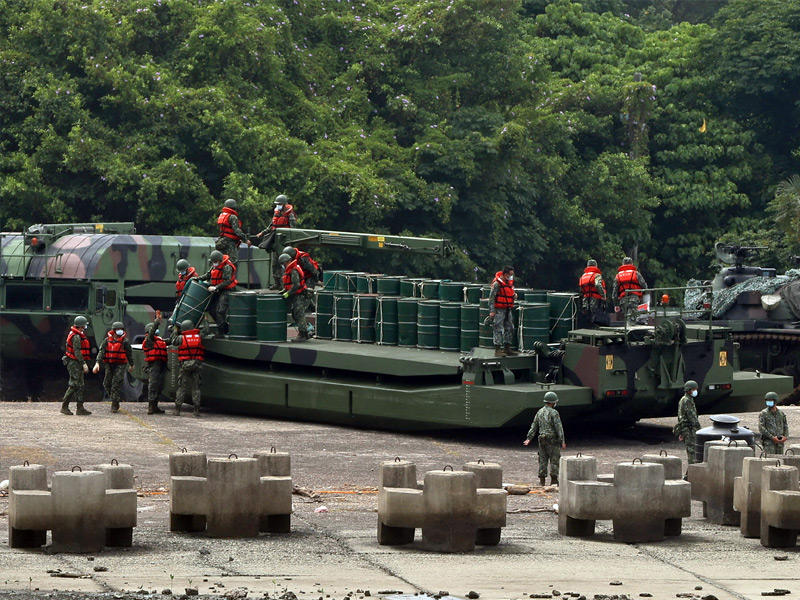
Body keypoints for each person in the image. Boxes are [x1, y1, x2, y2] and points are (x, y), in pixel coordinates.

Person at [523, 391, 566, 486]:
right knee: (554, 460)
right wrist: (562, 441)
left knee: (542, 460)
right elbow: (559, 427)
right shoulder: (554, 413)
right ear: (553, 402)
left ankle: (542, 481)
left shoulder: (540, 412)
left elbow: (534, 426)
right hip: (552, 440)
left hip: (542, 440)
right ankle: (554, 481)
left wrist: (529, 438)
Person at [92, 321, 133, 413]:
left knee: (115, 383)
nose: (120, 331)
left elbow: (129, 354)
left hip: (120, 364)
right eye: (118, 329)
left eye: (122, 329)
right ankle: (116, 399)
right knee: (106, 383)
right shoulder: (107, 340)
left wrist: (131, 364)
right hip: (109, 364)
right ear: (113, 331)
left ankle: (114, 404)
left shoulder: (125, 342)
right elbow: (101, 351)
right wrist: (97, 363)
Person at [170, 320, 205, 416]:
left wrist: (175, 330)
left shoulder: (181, 338)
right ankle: (196, 411)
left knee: (181, 387)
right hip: (197, 365)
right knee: (196, 388)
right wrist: (205, 320)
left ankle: (177, 410)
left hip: (184, 366)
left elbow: (173, 340)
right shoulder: (199, 336)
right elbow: (206, 330)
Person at [200, 250, 238, 335]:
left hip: (227, 290)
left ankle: (224, 330)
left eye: (215, 262)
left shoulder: (227, 267)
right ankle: (221, 325)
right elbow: (208, 275)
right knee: (210, 308)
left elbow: (227, 281)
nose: (214, 264)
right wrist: (198, 278)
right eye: (213, 262)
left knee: (220, 311)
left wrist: (216, 287)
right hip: (217, 289)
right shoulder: (215, 265)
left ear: (220, 260)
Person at [61, 315, 92, 416]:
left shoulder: (77, 334)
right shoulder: (76, 336)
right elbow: (77, 351)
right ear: (80, 326)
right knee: (74, 384)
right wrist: (83, 363)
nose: (85, 328)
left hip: (76, 362)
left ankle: (80, 408)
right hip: (74, 362)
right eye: (84, 326)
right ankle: (64, 406)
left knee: (80, 385)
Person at [279, 252, 312, 342]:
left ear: (287, 262)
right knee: (296, 313)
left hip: (300, 294)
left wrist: (288, 293)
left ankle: (303, 334)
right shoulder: (290, 269)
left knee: (298, 313)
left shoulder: (293, 270)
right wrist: (284, 291)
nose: (283, 266)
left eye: (283, 263)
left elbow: (296, 285)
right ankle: (304, 333)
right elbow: (288, 285)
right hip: (296, 294)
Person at [488, 266, 517, 357]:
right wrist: (492, 311)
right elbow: (491, 298)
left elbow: (510, 293)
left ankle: (507, 348)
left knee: (510, 327)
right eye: (510, 275)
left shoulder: (509, 283)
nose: (511, 276)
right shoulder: (497, 284)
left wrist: (514, 296)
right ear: (505, 274)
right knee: (498, 328)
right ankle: (498, 349)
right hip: (498, 310)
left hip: (508, 309)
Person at [142, 311, 168, 415]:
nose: (157, 331)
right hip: (154, 365)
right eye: (155, 330)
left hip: (161, 365)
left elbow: (169, 341)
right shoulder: (149, 340)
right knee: (153, 385)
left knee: (159, 385)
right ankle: (151, 407)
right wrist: (157, 322)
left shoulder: (160, 340)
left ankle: (155, 406)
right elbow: (152, 332)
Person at [612, 257, 647, 323]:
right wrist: (643, 296)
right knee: (632, 320)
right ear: (632, 264)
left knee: (626, 318)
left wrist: (616, 304)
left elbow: (614, 293)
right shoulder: (636, 273)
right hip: (634, 299)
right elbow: (644, 286)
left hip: (623, 301)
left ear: (623, 264)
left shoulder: (618, 276)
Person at [215, 198, 250, 265]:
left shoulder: (221, 215)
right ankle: (229, 275)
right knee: (232, 263)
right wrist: (245, 239)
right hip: (230, 243)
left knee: (221, 262)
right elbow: (237, 231)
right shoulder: (232, 217)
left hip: (221, 241)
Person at [674, 380, 701, 465]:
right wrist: (699, 430)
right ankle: (691, 472)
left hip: (687, 429)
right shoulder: (687, 401)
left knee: (692, 451)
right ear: (689, 390)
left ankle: (690, 472)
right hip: (689, 429)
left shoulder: (686, 399)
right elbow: (692, 417)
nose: (695, 391)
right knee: (692, 451)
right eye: (693, 389)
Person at [579, 259, 607, 324]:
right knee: (596, 318)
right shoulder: (596, 275)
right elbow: (597, 284)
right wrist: (603, 295)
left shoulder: (583, 276)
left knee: (587, 318)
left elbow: (581, 289)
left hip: (585, 300)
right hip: (595, 300)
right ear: (596, 266)